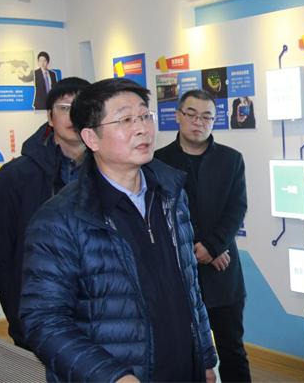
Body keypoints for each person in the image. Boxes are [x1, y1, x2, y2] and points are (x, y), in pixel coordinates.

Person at [19, 78, 218, 382]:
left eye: (145, 116)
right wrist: (111, 376)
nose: (142, 128)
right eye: (125, 120)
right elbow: (44, 321)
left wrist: (205, 358)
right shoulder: (60, 219)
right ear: (91, 138)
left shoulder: (171, 195)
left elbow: (191, 288)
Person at [0, 77, 90, 350]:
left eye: (81, 106)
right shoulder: (14, 177)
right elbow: (1, 257)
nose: (73, 115)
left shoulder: (111, 173)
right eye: (64, 107)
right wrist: (20, 318)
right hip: (39, 318)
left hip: (99, 321)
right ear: (50, 117)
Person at [155, 89, 250, 382]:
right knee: (183, 352)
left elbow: (237, 208)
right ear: (178, 116)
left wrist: (213, 246)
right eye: (192, 115)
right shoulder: (158, 161)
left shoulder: (231, 159)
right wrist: (201, 248)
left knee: (232, 350)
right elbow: (162, 214)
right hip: (179, 271)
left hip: (222, 271)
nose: (199, 122)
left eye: (207, 117)